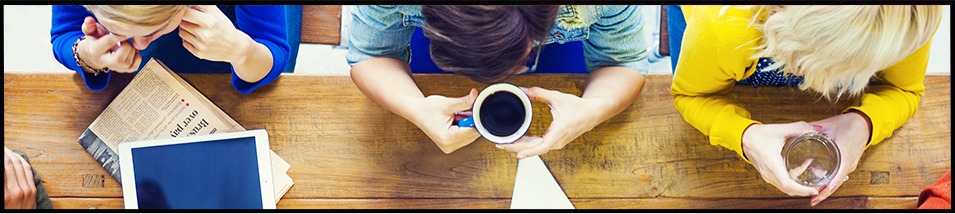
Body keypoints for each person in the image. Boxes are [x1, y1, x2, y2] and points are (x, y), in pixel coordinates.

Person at [668, 5, 942, 206]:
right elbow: (691, 94)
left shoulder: (908, 20)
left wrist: (863, 124)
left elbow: (903, 89)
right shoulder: (723, 27)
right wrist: (744, 135)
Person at [346, 5, 649, 157]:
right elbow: (372, 54)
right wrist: (412, 106)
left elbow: (622, 62)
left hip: (564, 55)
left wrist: (595, 109)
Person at [51, 5, 290, 94]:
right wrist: (87, 55)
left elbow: (273, 49)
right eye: (118, 30)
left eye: (154, 30)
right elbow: (65, 33)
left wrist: (242, 52)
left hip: (234, 67)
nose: (141, 46)